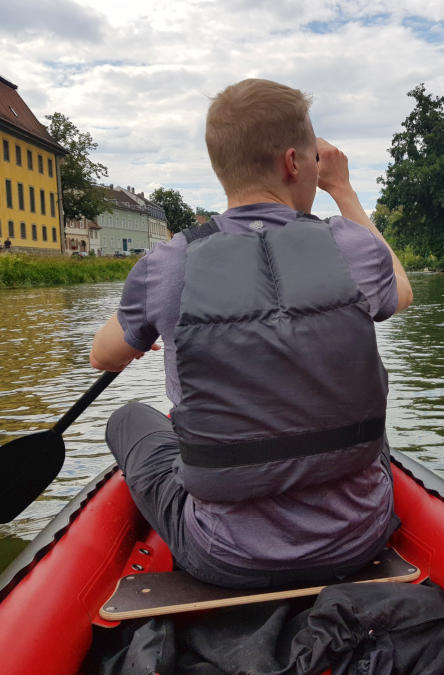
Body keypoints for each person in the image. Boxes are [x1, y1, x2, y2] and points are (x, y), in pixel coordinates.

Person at [89, 78, 413, 588]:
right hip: (360, 539)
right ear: (292, 163)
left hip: (225, 556)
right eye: (311, 161)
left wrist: (147, 324)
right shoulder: (351, 245)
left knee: (129, 416)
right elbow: (401, 290)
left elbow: (102, 357)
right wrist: (343, 190)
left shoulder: (167, 263)